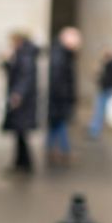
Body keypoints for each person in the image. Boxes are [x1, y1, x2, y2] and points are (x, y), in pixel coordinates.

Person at [2, 30, 40, 173]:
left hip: (24, 103)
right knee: (19, 134)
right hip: (23, 101)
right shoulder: (22, 55)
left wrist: (18, 94)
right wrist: (7, 62)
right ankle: (20, 163)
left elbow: (25, 77)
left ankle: (24, 164)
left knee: (21, 133)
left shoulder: (25, 56)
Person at [46, 26, 81, 167]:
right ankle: (63, 150)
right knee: (60, 124)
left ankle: (52, 149)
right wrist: (65, 97)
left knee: (56, 125)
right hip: (59, 99)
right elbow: (58, 79)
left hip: (60, 98)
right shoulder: (61, 55)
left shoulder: (62, 53)